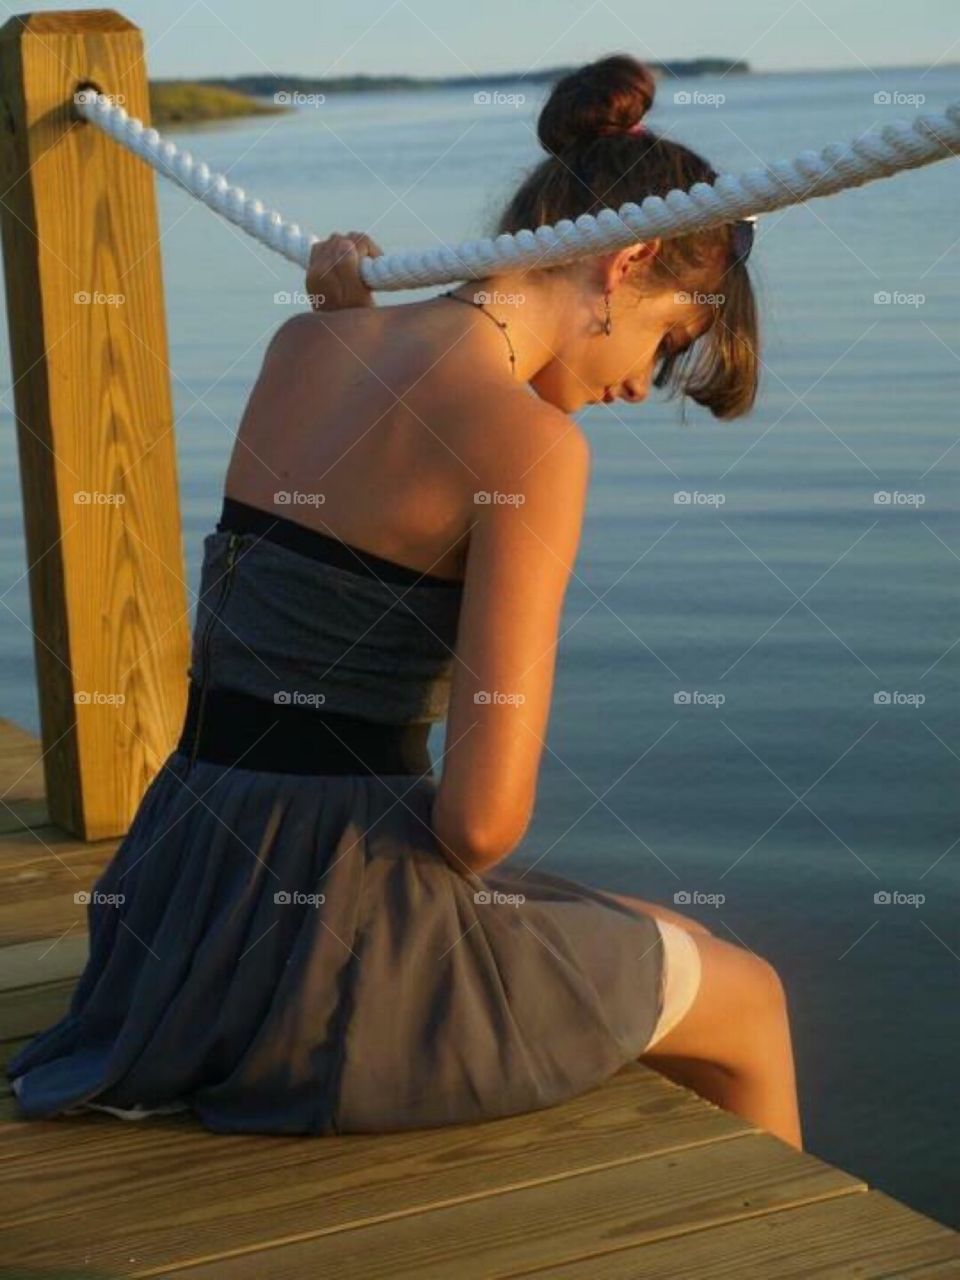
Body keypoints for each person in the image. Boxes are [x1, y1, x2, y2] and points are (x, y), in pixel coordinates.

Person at [7, 54, 801, 1150]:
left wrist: (355, 316)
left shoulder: (306, 342)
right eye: (668, 340)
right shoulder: (533, 446)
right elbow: (478, 825)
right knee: (749, 995)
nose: (635, 383)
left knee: (601, 922)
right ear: (623, 264)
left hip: (173, 903)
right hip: (335, 954)